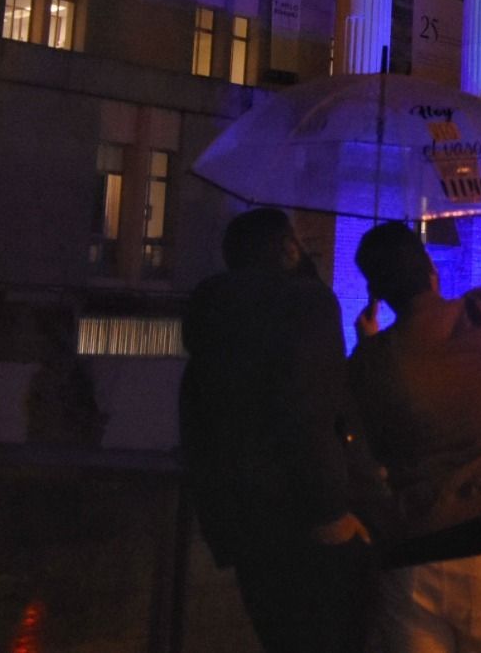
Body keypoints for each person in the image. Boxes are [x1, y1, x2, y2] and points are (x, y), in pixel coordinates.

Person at [351, 193, 481, 653]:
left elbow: (363, 443)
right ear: (432, 270)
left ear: (378, 293)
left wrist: (367, 346)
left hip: (413, 557)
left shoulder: (371, 364)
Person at [179, 207, 383, 653]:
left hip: (245, 528)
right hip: (308, 525)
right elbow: (308, 413)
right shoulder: (306, 306)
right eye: (294, 240)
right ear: (285, 248)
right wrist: (332, 514)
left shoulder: (214, 317)